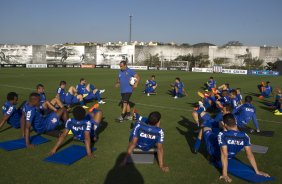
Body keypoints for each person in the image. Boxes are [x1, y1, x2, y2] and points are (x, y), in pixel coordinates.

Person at [203, 113, 270, 183]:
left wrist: (224, 174)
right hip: (230, 155)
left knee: (206, 127)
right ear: (235, 122)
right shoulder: (245, 136)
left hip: (214, 152)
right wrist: (257, 171)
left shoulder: (222, 135)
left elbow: (224, 155)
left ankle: (198, 144)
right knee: (217, 130)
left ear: (225, 125)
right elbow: (250, 155)